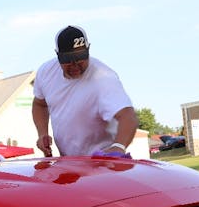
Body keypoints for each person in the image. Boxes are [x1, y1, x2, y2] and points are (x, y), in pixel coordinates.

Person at [31, 25, 139, 157]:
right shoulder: (46, 72)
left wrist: (118, 146)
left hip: (101, 159)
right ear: (58, 55)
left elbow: (128, 116)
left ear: (88, 50)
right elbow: (39, 104)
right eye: (68, 60)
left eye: (81, 57)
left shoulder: (103, 78)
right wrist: (42, 133)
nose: (75, 64)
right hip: (68, 162)